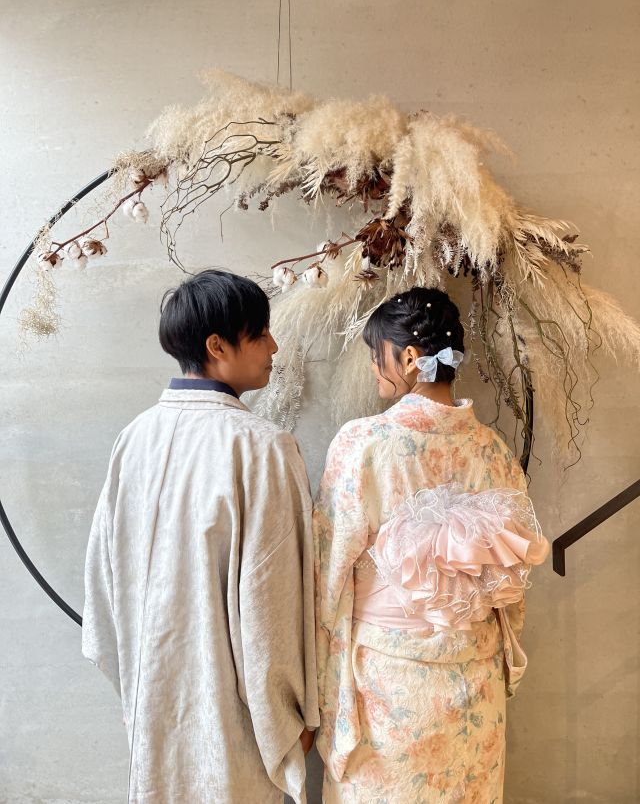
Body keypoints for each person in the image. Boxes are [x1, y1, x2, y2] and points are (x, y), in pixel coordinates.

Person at [82, 269, 319, 804]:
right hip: (232, 714)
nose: (274, 347)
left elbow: (102, 578)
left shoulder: (134, 438)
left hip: (151, 703)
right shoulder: (262, 447)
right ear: (218, 346)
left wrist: (137, 680)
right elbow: (273, 599)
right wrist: (289, 717)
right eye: (261, 333)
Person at [313, 286, 549, 803]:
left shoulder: (362, 443)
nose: (373, 368)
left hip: (390, 683)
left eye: (377, 355)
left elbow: (327, 577)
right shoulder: (493, 449)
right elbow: (511, 584)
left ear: (409, 358)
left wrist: (323, 689)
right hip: (475, 681)